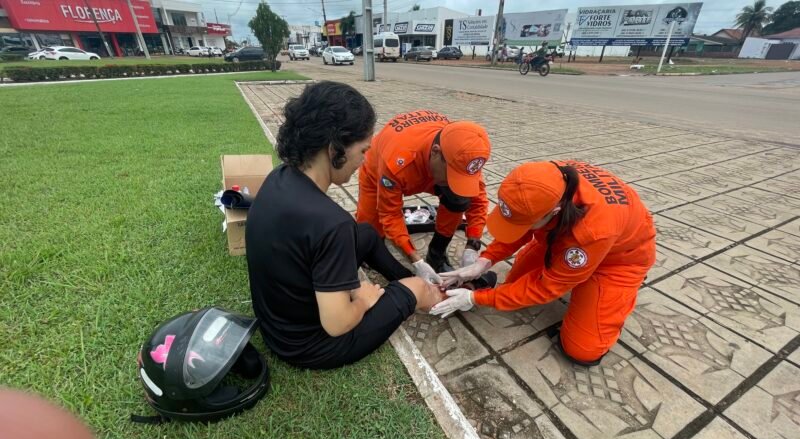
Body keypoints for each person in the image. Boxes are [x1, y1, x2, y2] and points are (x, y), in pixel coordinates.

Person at [246, 81, 440, 370]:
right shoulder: (330, 223)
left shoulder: (281, 176)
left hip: (277, 323)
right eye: (362, 150)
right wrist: (362, 300)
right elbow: (336, 325)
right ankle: (442, 297)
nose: (364, 161)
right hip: (311, 346)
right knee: (418, 289)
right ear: (334, 147)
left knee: (366, 232)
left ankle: (403, 276)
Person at [431, 161, 656, 366]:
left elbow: (545, 288)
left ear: (555, 211)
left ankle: (612, 289)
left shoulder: (591, 232)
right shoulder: (545, 180)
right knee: (514, 285)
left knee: (582, 350)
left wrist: (475, 297)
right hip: (564, 237)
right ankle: (573, 273)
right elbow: (519, 224)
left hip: (618, 261)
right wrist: (484, 261)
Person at [355, 110, 492, 284]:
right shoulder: (397, 162)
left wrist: (472, 245)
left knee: (459, 199)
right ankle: (373, 254)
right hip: (377, 170)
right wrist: (415, 260)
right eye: (452, 176)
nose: (454, 183)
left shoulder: (463, 152)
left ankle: (436, 255)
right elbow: (390, 214)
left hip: (430, 168)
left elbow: (478, 201)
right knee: (369, 229)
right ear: (436, 152)